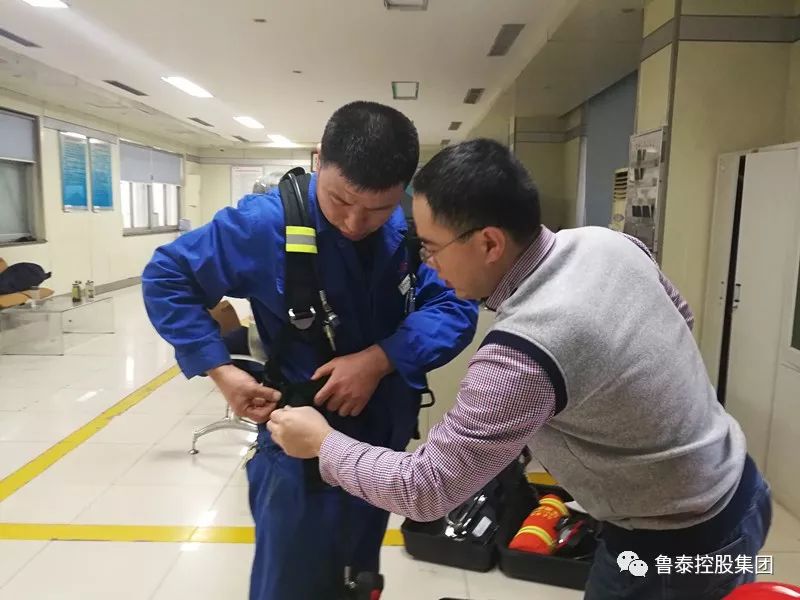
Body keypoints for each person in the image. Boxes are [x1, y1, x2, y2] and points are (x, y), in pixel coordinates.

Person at [267, 138, 773, 600]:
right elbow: (679, 317)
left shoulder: (523, 352)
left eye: (431, 248)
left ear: (489, 243)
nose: (427, 264)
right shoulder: (606, 243)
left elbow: (426, 489)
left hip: (670, 546)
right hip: (740, 487)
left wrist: (321, 443)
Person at [141, 101, 479, 600]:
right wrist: (219, 369)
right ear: (320, 160)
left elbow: (454, 304)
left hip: (379, 444)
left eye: (377, 209)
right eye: (340, 200)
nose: (355, 222)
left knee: (358, 575)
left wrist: (379, 359)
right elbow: (167, 276)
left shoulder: (413, 228)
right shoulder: (264, 226)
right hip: (298, 446)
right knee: (292, 581)